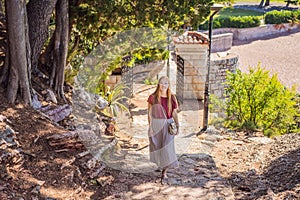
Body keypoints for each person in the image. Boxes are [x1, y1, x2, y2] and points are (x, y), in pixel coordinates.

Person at [147, 76, 180, 184]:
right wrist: (151, 126)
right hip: (156, 124)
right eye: (161, 83)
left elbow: (174, 113)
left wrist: (177, 125)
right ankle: (158, 164)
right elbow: (150, 113)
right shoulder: (153, 97)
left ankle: (164, 172)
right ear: (158, 84)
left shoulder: (172, 98)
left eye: (166, 83)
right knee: (156, 147)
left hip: (168, 124)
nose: (164, 85)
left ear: (168, 85)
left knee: (167, 148)